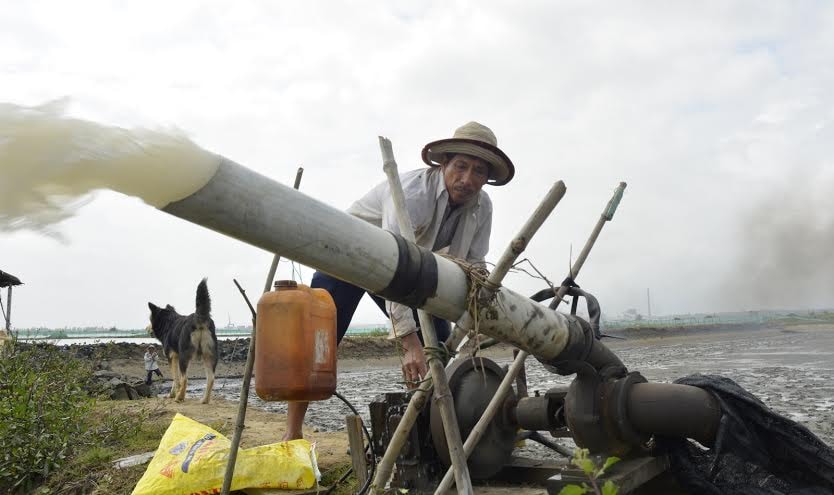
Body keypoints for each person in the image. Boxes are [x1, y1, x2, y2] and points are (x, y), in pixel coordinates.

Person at [283, 121, 515, 440]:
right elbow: (388, 266)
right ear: (443, 163)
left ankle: (433, 429)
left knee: (438, 347)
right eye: (460, 166)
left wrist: (473, 328)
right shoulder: (411, 193)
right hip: (348, 256)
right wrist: (407, 342)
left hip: (406, 268)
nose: (467, 179)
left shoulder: (481, 206)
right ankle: (292, 434)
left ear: (487, 177)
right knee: (319, 346)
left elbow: (473, 268)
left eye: (478, 172)